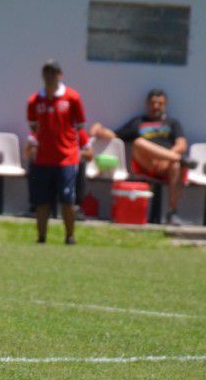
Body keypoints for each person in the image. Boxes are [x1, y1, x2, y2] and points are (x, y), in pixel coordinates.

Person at [90, 89, 197, 225]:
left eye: (160, 103)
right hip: (147, 165)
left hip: (167, 167)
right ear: (147, 104)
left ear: (165, 105)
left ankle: (172, 213)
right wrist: (98, 128)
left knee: (176, 166)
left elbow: (181, 145)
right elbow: (114, 136)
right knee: (138, 142)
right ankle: (180, 159)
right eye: (153, 103)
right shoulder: (138, 122)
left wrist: (166, 159)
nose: (156, 106)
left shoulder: (172, 123)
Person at [26, 60, 87, 244]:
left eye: (54, 72)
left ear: (60, 74)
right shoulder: (34, 101)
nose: (50, 76)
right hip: (43, 158)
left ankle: (69, 237)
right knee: (41, 200)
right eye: (47, 72)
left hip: (67, 157)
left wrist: (85, 146)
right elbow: (34, 129)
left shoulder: (72, 98)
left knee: (67, 199)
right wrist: (30, 145)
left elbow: (80, 126)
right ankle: (41, 237)